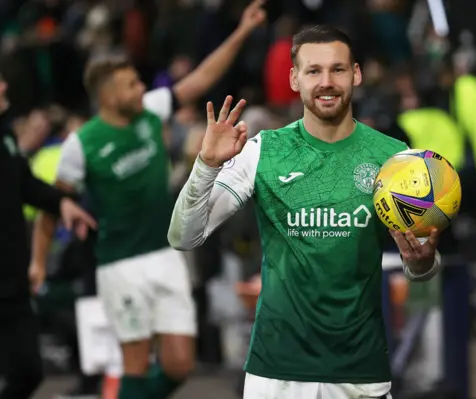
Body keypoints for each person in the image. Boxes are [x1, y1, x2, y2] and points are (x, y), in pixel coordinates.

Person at [168, 25, 443, 399]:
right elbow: (183, 237)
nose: (326, 82)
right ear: (294, 79)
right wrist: (205, 165)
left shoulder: (394, 157)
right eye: (313, 71)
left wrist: (421, 262)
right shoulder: (263, 151)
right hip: (276, 374)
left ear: (356, 74)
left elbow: (422, 267)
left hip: (359, 373)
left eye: (337, 69)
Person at [30, 2, 267, 398]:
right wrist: (39, 261)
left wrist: (242, 32)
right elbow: (52, 207)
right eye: (131, 85)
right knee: (136, 364)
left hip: (165, 252)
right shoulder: (81, 145)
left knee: (179, 365)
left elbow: (201, 78)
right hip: (120, 263)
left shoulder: (150, 111)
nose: (141, 89)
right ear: (106, 95)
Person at [0, 75, 96, 399]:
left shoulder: (5, 137)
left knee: (28, 371)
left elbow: (24, 183)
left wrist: (61, 202)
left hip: (12, 277)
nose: (4, 86)